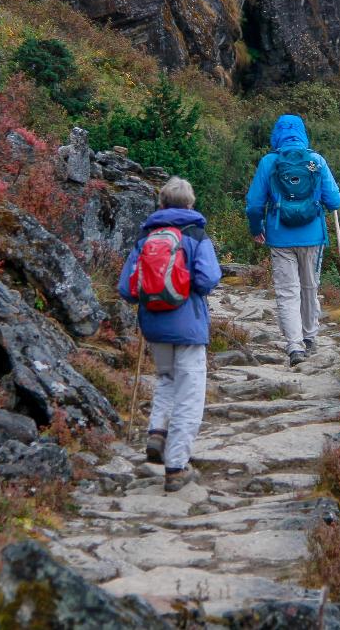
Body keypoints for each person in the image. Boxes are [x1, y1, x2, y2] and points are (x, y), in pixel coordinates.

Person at [117, 176, 222, 492]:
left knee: (166, 380)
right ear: (191, 205)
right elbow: (208, 279)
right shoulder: (196, 236)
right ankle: (176, 466)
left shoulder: (145, 237)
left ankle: (157, 433)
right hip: (188, 327)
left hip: (155, 327)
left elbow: (126, 288)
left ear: (161, 204)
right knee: (190, 394)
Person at [245, 115, 340, 367]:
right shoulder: (316, 161)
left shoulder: (269, 162)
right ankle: (310, 337)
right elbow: (334, 201)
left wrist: (257, 228)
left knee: (287, 291)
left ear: (276, 134)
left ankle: (294, 346)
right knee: (310, 287)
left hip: (280, 238)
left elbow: (254, 204)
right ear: (303, 133)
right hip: (313, 238)